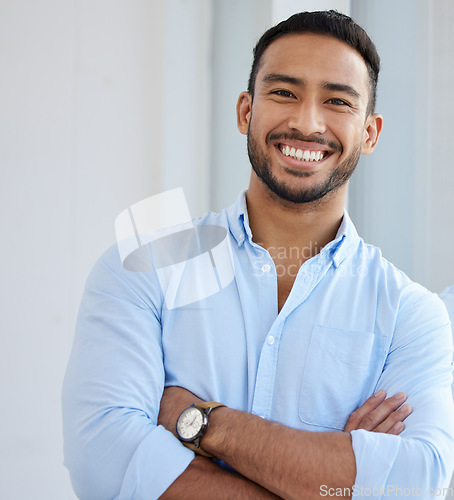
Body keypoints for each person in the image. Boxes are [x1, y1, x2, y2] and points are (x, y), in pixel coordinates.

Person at [62, 11, 454, 499]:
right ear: (246, 111)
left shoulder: (411, 316)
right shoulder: (144, 271)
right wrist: (334, 480)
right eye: (284, 93)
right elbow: (102, 464)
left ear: (370, 133)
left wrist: (202, 422)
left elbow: (414, 486)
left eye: (336, 101)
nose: (307, 122)